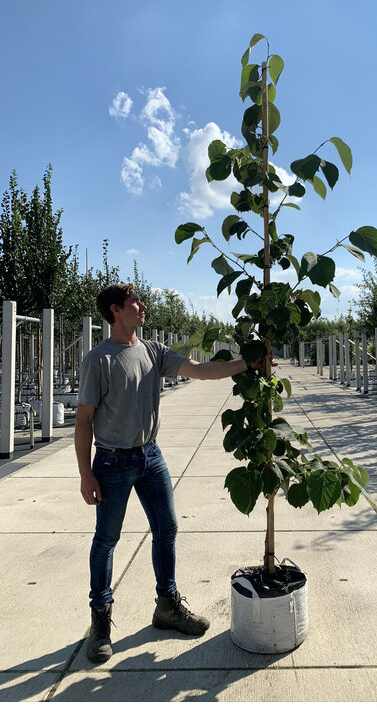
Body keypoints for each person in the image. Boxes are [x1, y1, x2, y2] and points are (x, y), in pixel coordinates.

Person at [75, 283, 266, 663]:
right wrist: (86, 474)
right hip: (112, 461)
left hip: (150, 455)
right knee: (107, 539)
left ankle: (167, 606)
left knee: (167, 529)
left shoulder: (152, 351)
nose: (142, 306)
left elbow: (200, 369)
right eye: (135, 302)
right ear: (115, 310)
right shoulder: (99, 359)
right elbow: (83, 421)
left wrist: (247, 364)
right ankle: (100, 620)